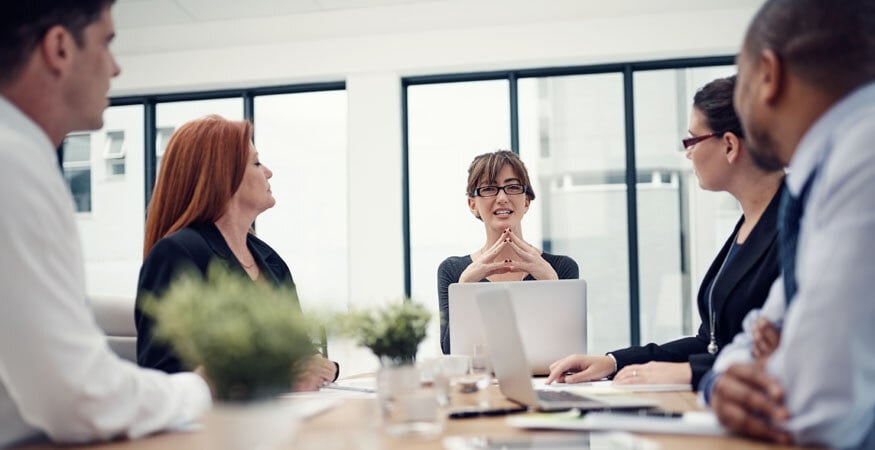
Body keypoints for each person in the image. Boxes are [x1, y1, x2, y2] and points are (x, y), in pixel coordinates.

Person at [0, 1, 211, 447]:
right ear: (59, 48)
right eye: (107, 43)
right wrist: (203, 388)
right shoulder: (12, 163)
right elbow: (79, 397)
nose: (115, 69)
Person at [701, 0, 875, 447]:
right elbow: (764, 324)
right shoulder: (822, 173)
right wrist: (720, 384)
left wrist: (756, 373)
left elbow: (813, 408)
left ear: (768, 74)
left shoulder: (863, 157)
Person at [545, 76, 784, 390]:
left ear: (729, 144)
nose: (688, 154)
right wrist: (613, 361)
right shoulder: (747, 223)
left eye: (692, 141)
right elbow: (709, 342)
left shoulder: (796, 226)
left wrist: (691, 373)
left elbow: (788, 351)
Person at [135, 115, 338, 391]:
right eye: (256, 163)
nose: (268, 172)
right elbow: (164, 376)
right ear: (222, 177)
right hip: (217, 428)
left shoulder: (270, 261)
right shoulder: (177, 254)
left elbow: (298, 352)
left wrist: (317, 366)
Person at [438, 150, 579, 354]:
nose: (502, 198)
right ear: (472, 204)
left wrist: (551, 283)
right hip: (481, 384)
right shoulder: (452, 271)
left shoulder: (562, 268)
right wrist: (465, 286)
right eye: (489, 189)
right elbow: (451, 351)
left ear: (526, 201)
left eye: (512, 187)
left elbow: (570, 350)